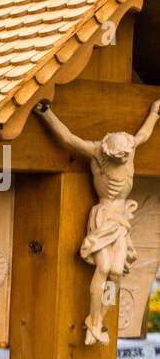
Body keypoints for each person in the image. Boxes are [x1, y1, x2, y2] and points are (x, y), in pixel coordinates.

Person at [35, 99, 160, 345]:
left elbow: (144, 134)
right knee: (103, 268)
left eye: (124, 158)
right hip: (103, 217)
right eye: (117, 159)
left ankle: (98, 320)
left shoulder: (131, 146)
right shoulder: (97, 152)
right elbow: (68, 139)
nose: (122, 162)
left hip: (122, 220)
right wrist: (46, 112)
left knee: (116, 273)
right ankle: (93, 321)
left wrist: (155, 113)